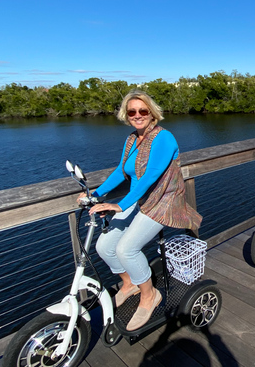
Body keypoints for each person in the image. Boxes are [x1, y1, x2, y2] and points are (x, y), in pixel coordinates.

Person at [82, 90, 202, 331]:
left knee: (127, 249)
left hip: (162, 202)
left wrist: (119, 205)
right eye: (132, 111)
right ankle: (129, 284)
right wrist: (94, 195)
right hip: (138, 200)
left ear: (152, 113)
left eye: (142, 111)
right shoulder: (131, 140)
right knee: (104, 247)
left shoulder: (164, 138)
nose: (137, 115)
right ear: (126, 115)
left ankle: (150, 295)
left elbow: (151, 177)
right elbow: (121, 172)